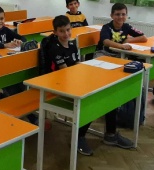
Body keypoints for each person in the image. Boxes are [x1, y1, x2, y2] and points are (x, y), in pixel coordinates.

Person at [45, 16, 134, 155]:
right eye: (62, 31)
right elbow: (65, 71)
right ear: (55, 32)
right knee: (92, 100)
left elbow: (76, 64)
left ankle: (111, 135)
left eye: (68, 30)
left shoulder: (72, 44)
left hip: (73, 81)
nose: (66, 34)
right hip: (60, 85)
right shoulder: (54, 48)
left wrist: (87, 69)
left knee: (109, 95)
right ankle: (79, 137)